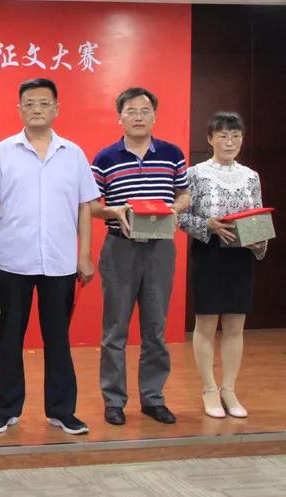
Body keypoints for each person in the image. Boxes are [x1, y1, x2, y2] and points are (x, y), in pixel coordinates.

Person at [0, 78, 98, 436]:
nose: (36, 109)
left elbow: (85, 207)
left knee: (58, 338)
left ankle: (62, 410)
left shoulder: (73, 154)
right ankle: (5, 410)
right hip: (12, 260)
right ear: (19, 109)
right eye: (29, 103)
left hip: (60, 262)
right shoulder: (2, 152)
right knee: (9, 338)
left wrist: (85, 255)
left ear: (56, 108)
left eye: (43, 103)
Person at [90, 87, 190, 426]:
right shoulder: (105, 157)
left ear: (154, 116)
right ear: (119, 117)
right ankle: (114, 401)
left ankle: (153, 398)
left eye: (144, 111)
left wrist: (175, 208)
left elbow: (185, 193)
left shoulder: (172, 154)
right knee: (115, 329)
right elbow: (91, 206)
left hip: (160, 249)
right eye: (130, 111)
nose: (137, 117)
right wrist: (114, 210)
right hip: (120, 248)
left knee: (155, 328)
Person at [178, 111, 266, 418]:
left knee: (235, 326)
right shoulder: (195, 174)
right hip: (209, 254)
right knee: (205, 324)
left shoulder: (251, 176)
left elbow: (258, 216)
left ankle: (229, 389)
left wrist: (258, 240)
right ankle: (209, 389)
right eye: (223, 136)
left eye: (236, 136)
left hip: (240, 256)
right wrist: (208, 225)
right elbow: (180, 216)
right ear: (210, 139)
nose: (230, 142)